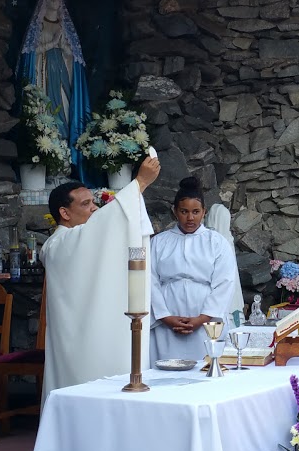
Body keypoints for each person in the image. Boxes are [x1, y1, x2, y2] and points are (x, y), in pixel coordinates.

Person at [40, 154, 161, 393]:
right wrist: (140, 184)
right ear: (64, 213)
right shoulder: (59, 244)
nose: (94, 207)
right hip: (78, 343)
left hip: (89, 334)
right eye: (85, 204)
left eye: (93, 201)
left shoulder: (76, 239)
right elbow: (105, 223)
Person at [150, 178, 239, 361]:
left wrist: (203, 318)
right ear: (175, 212)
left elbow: (224, 282)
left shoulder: (216, 242)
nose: (190, 218)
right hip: (168, 317)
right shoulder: (159, 242)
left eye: (196, 212)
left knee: (205, 369)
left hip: (205, 319)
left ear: (204, 212)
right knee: (166, 369)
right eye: (184, 212)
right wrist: (165, 316)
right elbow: (149, 280)